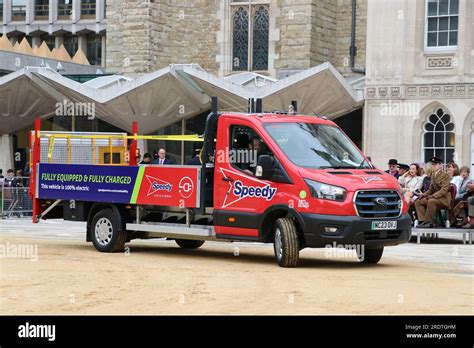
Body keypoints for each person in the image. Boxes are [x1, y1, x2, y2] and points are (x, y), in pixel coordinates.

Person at [415, 157, 451, 228]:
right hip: (435, 198)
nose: (434, 166)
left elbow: (444, 190)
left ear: (440, 165)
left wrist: (433, 196)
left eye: (436, 164)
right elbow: (430, 189)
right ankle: (422, 221)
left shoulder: (445, 175)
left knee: (431, 201)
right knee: (418, 201)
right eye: (433, 164)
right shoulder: (433, 175)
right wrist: (423, 195)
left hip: (444, 199)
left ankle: (429, 222)